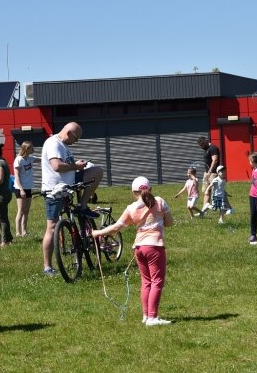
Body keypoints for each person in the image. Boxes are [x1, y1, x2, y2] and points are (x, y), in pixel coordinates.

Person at [92, 176, 174, 326]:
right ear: (150, 189)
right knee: (157, 282)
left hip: (139, 248)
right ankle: (152, 317)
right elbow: (170, 223)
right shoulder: (160, 201)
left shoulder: (131, 208)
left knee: (146, 282)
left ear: (133, 192)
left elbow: (116, 228)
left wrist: (98, 233)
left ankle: (145, 315)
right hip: (155, 247)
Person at [41, 122, 103, 276]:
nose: (76, 142)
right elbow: (56, 166)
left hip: (68, 186)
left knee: (96, 172)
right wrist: (76, 166)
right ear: (68, 133)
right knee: (52, 227)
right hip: (55, 190)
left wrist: (78, 166)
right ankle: (47, 267)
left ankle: (83, 206)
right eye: (76, 138)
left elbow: (66, 165)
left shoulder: (63, 145)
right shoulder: (53, 143)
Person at [13, 141, 35, 237]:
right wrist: (21, 189)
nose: (33, 149)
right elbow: (16, 176)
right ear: (26, 149)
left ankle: (24, 231)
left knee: (26, 211)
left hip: (28, 187)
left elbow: (42, 159)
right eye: (31, 148)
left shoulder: (30, 159)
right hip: (20, 188)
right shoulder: (18, 160)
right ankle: (18, 232)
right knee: (21, 210)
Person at [197, 136, 223, 212]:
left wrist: (210, 171)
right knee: (206, 191)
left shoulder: (213, 148)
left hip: (213, 173)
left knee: (217, 192)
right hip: (207, 173)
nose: (201, 147)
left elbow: (214, 160)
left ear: (205, 141)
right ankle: (204, 210)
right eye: (200, 146)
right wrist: (206, 172)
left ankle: (227, 208)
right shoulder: (206, 149)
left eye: (202, 145)